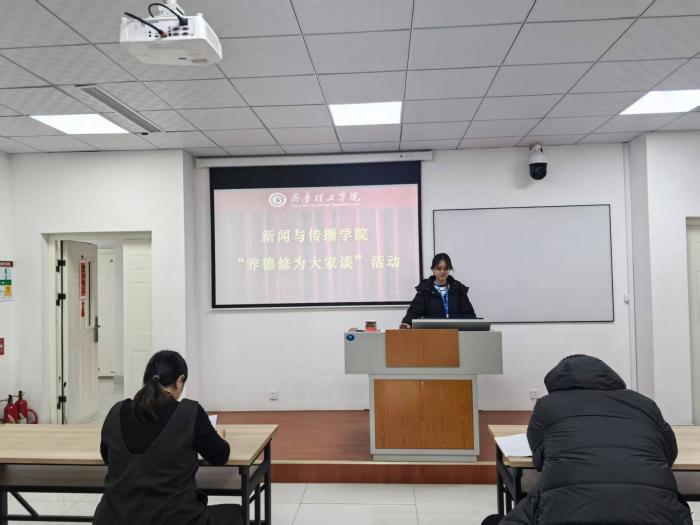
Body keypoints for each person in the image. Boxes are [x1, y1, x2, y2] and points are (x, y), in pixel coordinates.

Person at [483, 355, 692, 525]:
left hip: (566, 514)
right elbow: (668, 453)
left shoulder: (547, 405)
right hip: (661, 516)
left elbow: (539, 459)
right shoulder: (644, 403)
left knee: (493, 520)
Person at [94, 350, 242, 525]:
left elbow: (108, 458)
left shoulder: (116, 411)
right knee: (238, 513)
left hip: (112, 519)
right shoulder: (189, 411)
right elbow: (220, 455)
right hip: (177, 519)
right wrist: (219, 436)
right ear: (179, 381)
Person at [400, 253, 476, 328]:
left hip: (456, 332)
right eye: (439, 269)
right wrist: (407, 322)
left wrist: (474, 326)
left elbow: (468, 313)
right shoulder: (425, 290)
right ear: (433, 269)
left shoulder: (458, 289)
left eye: (446, 268)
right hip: (432, 332)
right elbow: (415, 311)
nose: (442, 272)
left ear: (449, 269)